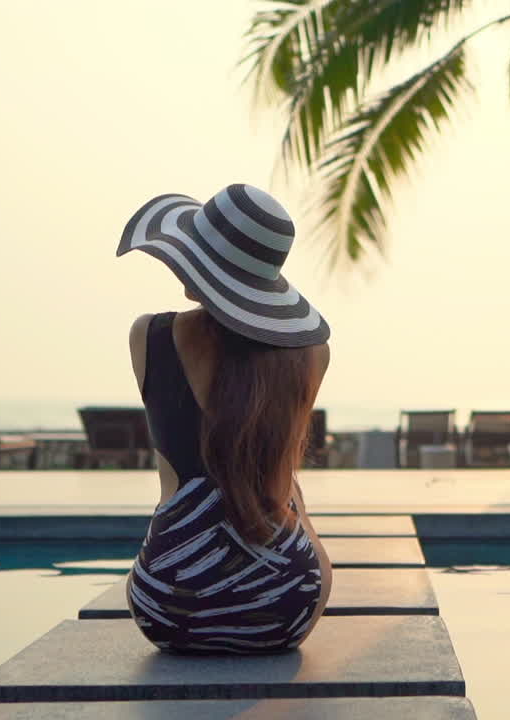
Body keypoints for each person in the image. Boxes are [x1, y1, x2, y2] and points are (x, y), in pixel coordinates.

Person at [115, 183, 332, 653]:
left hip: (168, 603)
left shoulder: (148, 336)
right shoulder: (312, 355)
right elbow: (285, 485)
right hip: (285, 606)